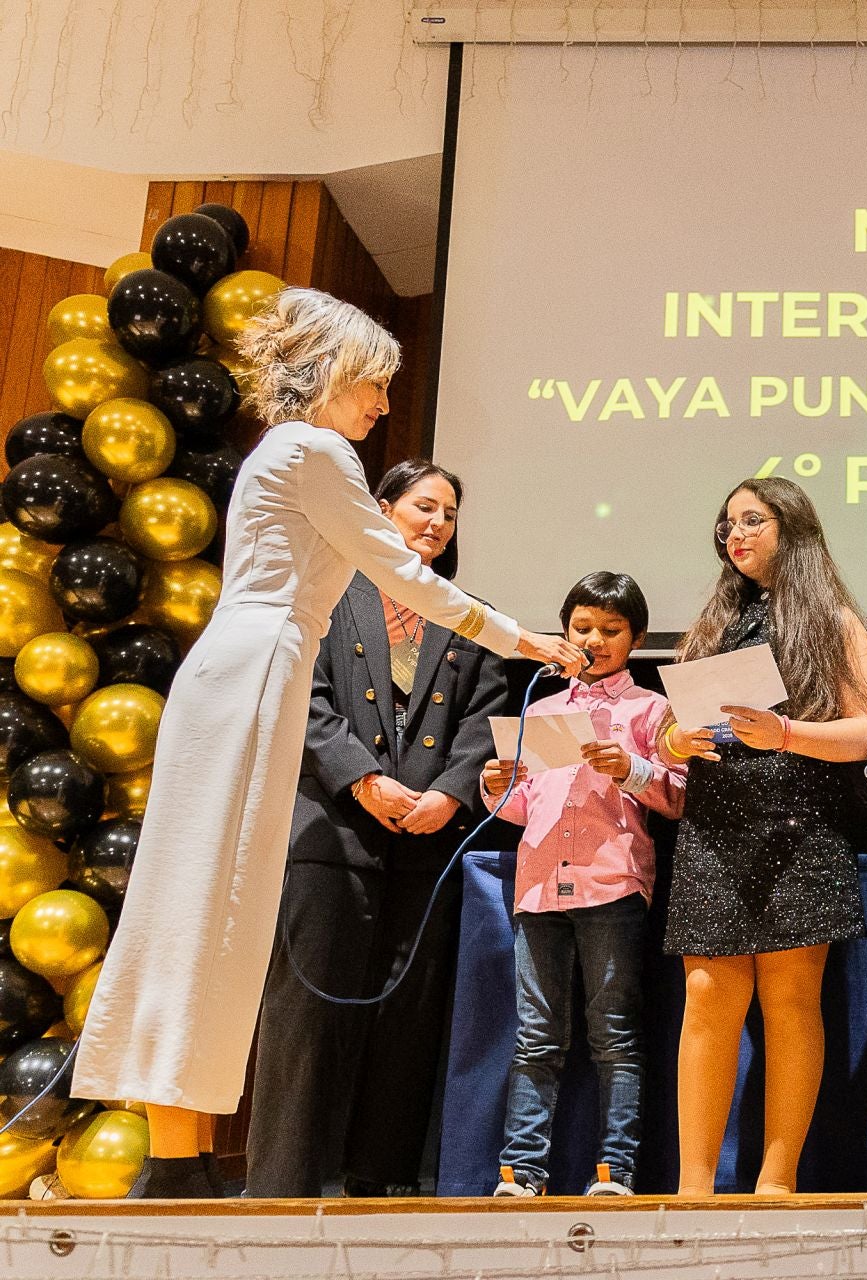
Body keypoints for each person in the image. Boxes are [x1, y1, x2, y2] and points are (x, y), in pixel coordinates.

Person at [69, 288, 584, 1200]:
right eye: (376, 384)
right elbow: (396, 570)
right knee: (207, 909)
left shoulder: (290, 450)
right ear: (335, 375)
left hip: (249, 668)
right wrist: (522, 639)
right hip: (257, 672)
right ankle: (173, 1161)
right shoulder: (315, 448)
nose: (383, 404)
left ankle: (179, 1160)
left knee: (211, 913)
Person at [246, 459, 508, 1198]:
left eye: (449, 514)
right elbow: (305, 695)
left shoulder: (468, 612)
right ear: (382, 508)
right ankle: (282, 1186)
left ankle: (378, 1185)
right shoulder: (326, 591)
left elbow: (485, 722)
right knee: (308, 1018)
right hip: (331, 832)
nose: (436, 523)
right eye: (424, 506)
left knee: (406, 1023)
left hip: (425, 842)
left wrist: (452, 796)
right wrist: (362, 777)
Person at [661, 477, 867, 1195]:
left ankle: (775, 1180)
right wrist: (674, 741)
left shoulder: (835, 621)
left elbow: (863, 734)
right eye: (728, 524)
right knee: (705, 993)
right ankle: (694, 1187)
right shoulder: (712, 626)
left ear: (793, 528)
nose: (736, 534)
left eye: (752, 520)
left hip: (799, 820)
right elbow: (671, 729)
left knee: (790, 999)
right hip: (716, 823)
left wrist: (786, 732)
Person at [484, 572, 686, 1198]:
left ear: (637, 638)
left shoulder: (651, 710)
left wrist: (634, 769)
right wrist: (496, 786)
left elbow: (678, 798)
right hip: (540, 884)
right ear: (564, 632)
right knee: (535, 1037)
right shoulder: (540, 708)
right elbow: (523, 806)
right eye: (582, 628)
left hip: (612, 882)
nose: (594, 640)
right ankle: (521, 1173)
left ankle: (615, 1172)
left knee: (615, 1036)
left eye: (610, 630)